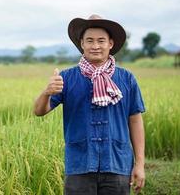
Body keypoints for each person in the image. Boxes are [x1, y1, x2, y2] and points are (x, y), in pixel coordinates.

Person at [34, 14, 145, 195]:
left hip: (117, 163)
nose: (95, 46)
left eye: (101, 40)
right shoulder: (67, 78)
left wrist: (140, 164)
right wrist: (47, 92)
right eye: (90, 41)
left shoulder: (126, 78)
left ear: (111, 44)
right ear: (82, 44)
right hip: (79, 165)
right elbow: (39, 111)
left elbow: (135, 120)